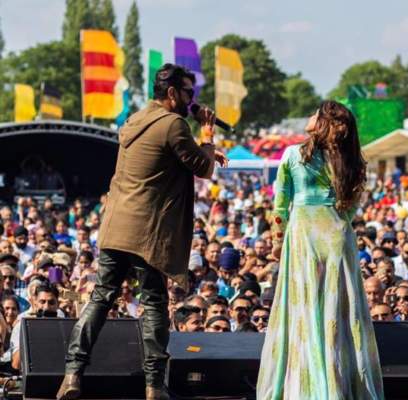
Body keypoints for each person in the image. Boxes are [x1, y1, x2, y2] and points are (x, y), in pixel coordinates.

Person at [57, 63, 227, 400]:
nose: (192, 100)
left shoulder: (134, 120)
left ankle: (72, 374)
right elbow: (204, 168)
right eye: (189, 93)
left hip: (116, 226)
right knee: (153, 304)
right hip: (146, 232)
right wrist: (207, 132)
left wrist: (199, 147)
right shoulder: (174, 124)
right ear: (172, 93)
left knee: (100, 298)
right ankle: (154, 385)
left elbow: (161, 159)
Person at [257, 101, 383, 399]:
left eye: (316, 113)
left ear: (324, 123)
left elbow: (279, 204)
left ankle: (306, 386)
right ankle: (337, 386)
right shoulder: (351, 161)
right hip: (337, 237)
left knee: (304, 308)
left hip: (302, 235)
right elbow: (352, 207)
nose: (310, 116)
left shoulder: (291, 155)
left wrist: (277, 240)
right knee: (338, 310)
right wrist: (335, 222)